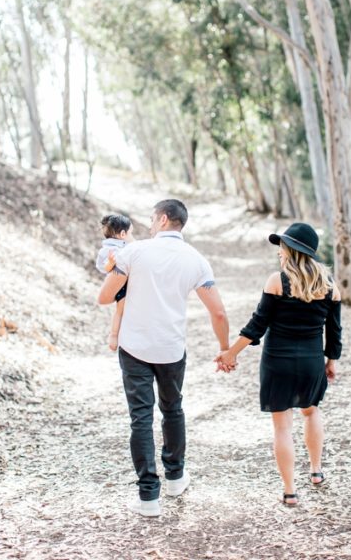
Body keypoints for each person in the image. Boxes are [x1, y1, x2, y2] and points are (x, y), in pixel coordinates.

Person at [97, 199, 231, 518]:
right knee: (172, 409)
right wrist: (225, 349)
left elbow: (103, 297)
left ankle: (148, 497)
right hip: (171, 348)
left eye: (152, 218)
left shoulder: (134, 252)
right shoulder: (196, 260)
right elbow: (220, 312)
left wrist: (125, 279)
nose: (149, 224)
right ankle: (175, 477)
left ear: (163, 218)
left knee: (141, 417)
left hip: (134, 348)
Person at [215, 222, 342, 508]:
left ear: (292, 251)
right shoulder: (330, 287)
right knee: (311, 412)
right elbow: (334, 332)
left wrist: (230, 353)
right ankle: (316, 471)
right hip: (311, 362)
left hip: (277, 362)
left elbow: (257, 325)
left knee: (282, 427)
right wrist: (331, 361)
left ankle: (290, 491)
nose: (279, 254)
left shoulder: (277, 281)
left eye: (282, 248)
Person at [96, 213, 134, 351]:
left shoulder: (125, 246)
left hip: (130, 281)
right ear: (123, 234)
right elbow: (104, 268)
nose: (132, 237)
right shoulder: (110, 249)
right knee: (120, 310)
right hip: (121, 284)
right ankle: (113, 335)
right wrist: (111, 263)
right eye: (131, 233)